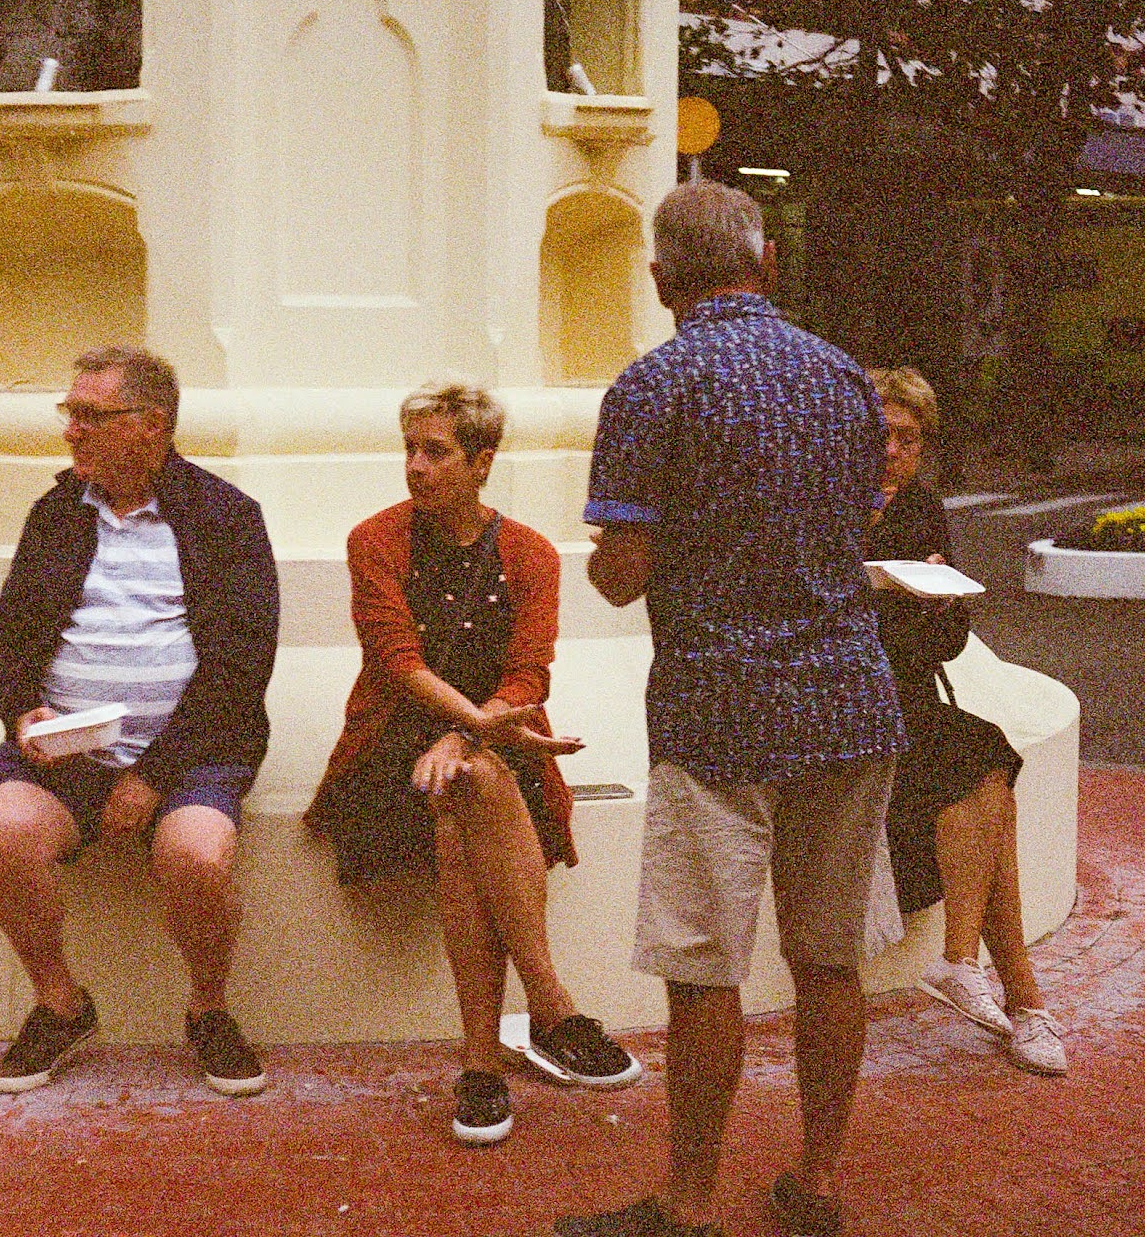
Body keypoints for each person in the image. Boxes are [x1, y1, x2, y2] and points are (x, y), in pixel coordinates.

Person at [560, 182, 909, 1237]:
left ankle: (690, 1200)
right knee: (829, 958)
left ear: (660, 277)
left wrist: (629, 553)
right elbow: (855, 523)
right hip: (847, 696)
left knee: (702, 967)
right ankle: (819, 1179)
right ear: (764, 264)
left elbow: (622, 572)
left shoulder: (652, 385)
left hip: (719, 706)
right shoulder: (843, 377)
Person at [307, 384, 641, 1146]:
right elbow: (396, 661)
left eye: (436, 452)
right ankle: (551, 1007)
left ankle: (482, 1065)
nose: (415, 467)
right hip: (391, 749)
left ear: (482, 462)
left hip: (491, 747)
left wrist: (466, 737)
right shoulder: (374, 540)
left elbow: (529, 673)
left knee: (466, 801)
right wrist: (473, 729)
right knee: (476, 783)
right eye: (410, 449)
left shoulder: (530, 553)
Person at [0, 346, 279, 1097]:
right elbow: (4, 642)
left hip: (191, 754)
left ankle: (208, 1010)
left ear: (150, 425)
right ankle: (61, 1004)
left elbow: (241, 668)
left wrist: (151, 776)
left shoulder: (223, 517)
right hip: (65, 754)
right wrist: (24, 714)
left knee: (197, 856)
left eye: (90, 415)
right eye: (69, 412)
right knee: (2, 836)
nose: (71, 431)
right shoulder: (57, 514)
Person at [865, 366, 1067, 1076]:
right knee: (987, 778)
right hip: (846, 706)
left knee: (985, 766)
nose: (893, 451)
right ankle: (1021, 998)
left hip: (907, 697)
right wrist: (884, 596)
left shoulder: (922, 506)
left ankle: (972, 970)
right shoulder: (825, 505)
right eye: (882, 434)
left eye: (909, 439)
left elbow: (950, 640)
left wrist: (935, 605)